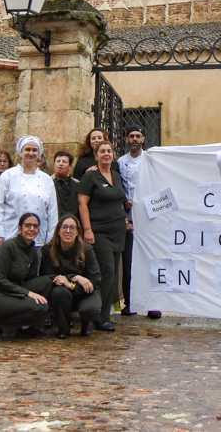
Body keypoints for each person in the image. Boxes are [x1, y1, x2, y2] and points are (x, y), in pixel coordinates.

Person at [0, 212, 54, 340]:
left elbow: (30, 280)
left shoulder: (33, 252)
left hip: (11, 292)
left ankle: (29, 327)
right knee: (40, 306)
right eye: (27, 225)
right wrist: (27, 293)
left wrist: (56, 278)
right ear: (19, 228)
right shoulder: (8, 247)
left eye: (35, 226)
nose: (31, 229)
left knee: (47, 282)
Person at [78, 141, 127, 331]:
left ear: (113, 155)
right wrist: (87, 229)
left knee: (113, 274)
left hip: (118, 232)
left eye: (109, 151)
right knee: (105, 272)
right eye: (102, 151)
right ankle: (98, 316)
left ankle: (105, 313)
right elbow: (82, 204)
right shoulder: (90, 176)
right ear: (96, 155)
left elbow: (119, 200)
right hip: (100, 231)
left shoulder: (115, 175)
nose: (106, 154)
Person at [116, 125, 162, 319]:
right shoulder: (120, 162)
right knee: (129, 262)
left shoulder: (150, 159)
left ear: (143, 139)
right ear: (127, 139)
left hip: (148, 216)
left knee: (151, 260)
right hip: (127, 216)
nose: (134, 139)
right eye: (131, 136)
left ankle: (154, 303)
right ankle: (130, 302)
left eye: (138, 136)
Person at [0, 136, 58, 250]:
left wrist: (51, 237)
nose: (31, 153)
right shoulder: (8, 176)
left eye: (34, 150)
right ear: (20, 153)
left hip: (38, 239)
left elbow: (52, 210)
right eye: (27, 149)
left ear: (39, 154)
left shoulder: (46, 180)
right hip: (10, 236)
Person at [42, 214, 102, 338]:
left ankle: (86, 324)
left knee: (90, 309)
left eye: (72, 228)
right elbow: (47, 275)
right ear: (58, 231)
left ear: (77, 232)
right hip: (62, 291)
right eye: (64, 227)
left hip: (85, 291)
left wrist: (71, 281)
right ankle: (63, 329)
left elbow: (95, 279)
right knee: (59, 292)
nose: (68, 231)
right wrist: (74, 278)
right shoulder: (48, 250)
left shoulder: (87, 249)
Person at [51, 150, 79, 220]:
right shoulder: (47, 183)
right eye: (58, 161)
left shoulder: (78, 184)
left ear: (70, 167)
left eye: (64, 161)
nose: (60, 164)